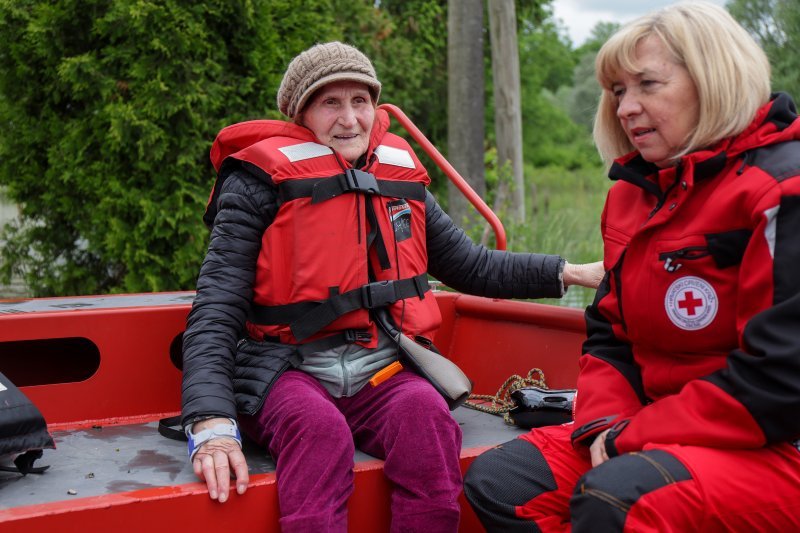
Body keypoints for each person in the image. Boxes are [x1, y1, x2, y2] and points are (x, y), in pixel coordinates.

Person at [181, 41, 603, 532]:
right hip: (287, 371)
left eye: (360, 101)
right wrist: (210, 424)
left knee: (427, 418)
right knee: (320, 434)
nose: (349, 119)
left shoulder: (400, 176)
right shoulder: (256, 182)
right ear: (301, 116)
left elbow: (473, 265)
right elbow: (216, 307)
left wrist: (573, 272)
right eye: (330, 103)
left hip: (378, 371)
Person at [464, 2, 800, 531]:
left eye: (647, 84)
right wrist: (605, 425)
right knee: (503, 482)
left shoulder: (781, 192)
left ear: (713, 81)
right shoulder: (631, 196)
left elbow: (782, 379)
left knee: (619, 498)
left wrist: (632, 438)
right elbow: (609, 336)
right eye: (619, 91)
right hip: (654, 426)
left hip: (775, 442)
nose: (625, 108)